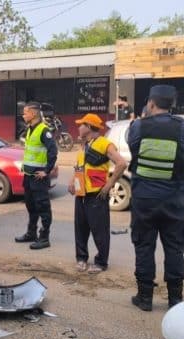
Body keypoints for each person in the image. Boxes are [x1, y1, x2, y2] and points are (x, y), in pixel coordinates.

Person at [127, 85, 184, 311]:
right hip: (173, 198)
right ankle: (175, 299)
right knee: (174, 247)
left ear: (151, 104)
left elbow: (133, 148)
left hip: (144, 198)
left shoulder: (138, 126)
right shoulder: (182, 127)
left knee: (144, 246)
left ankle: (145, 298)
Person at [68, 113, 128, 274]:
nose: (78, 127)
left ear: (88, 127)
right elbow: (80, 166)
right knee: (80, 228)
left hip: (96, 194)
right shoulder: (83, 145)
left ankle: (101, 262)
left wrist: (109, 185)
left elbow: (121, 164)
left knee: (99, 230)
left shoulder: (104, 144)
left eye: (81, 125)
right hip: (81, 193)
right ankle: (81, 259)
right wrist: (72, 181)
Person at [14, 102, 58, 249]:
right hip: (28, 175)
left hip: (39, 178)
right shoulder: (30, 129)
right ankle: (31, 233)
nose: (23, 115)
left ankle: (44, 237)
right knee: (31, 206)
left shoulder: (44, 131)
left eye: (25, 113)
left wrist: (46, 171)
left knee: (43, 207)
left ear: (33, 114)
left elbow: (53, 152)